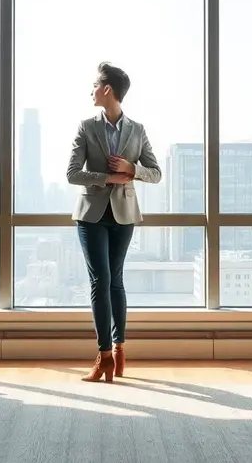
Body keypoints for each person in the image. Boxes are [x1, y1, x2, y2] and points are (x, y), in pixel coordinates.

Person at [66, 62, 162, 382]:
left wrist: (131, 169)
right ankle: (104, 355)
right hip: (91, 215)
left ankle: (120, 351)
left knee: (116, 281)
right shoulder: (86, 127)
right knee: (100, 281)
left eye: (95, 85)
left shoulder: (137, 130)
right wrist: (109, 176)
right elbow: (72, 174)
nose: (91, 90)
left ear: (108, 90)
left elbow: (156, 173)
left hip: (124, 215)